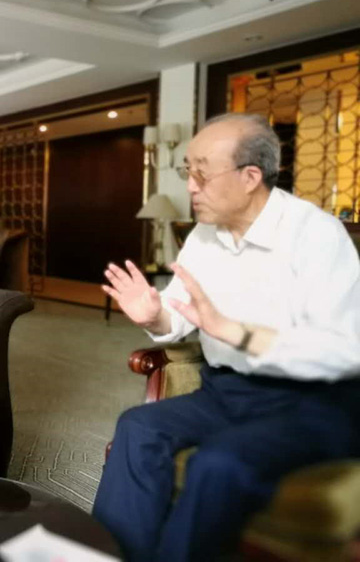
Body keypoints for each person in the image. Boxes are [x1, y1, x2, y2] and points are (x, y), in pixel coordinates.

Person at [93, 114, 360, 561]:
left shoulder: (315, 235)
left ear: (250, 177)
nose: (190, 186)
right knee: (138, 428)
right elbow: (178, 315)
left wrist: (237, 333)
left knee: (218, 463)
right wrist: (155, 315)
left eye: (202, 173)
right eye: (188, 171)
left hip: (315, 403)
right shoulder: (204, 236)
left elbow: (344, 350)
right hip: (227, 392)